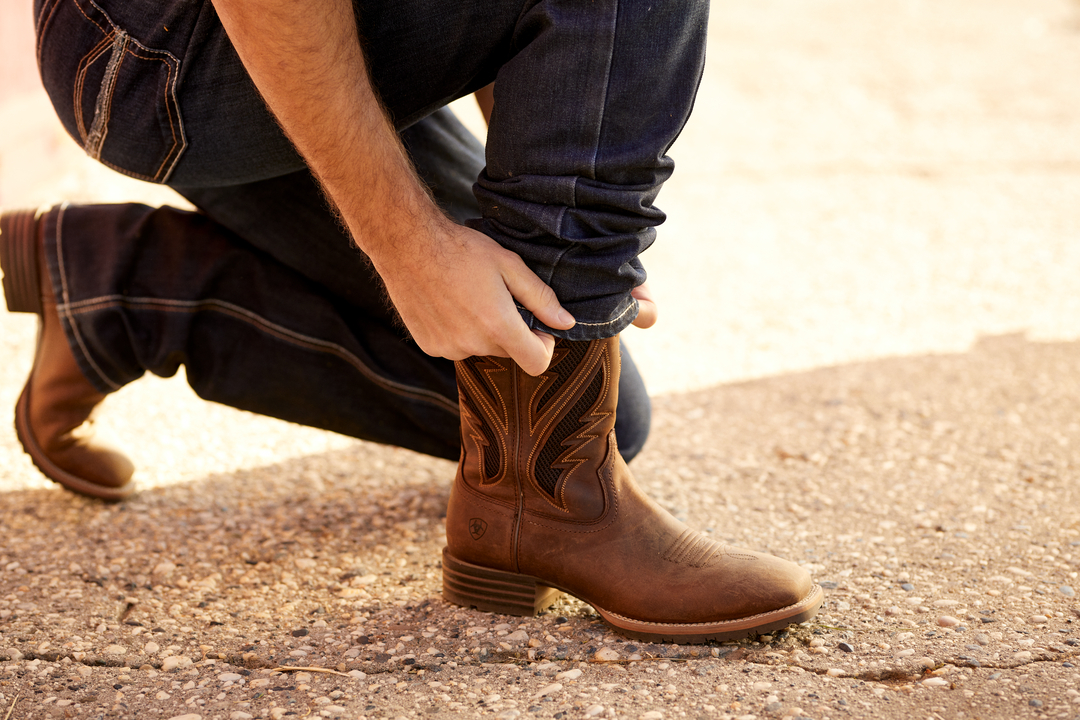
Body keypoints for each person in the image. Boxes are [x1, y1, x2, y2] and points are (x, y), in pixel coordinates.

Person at [0, 0, 822, 641]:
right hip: (163, 49)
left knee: (568, 389)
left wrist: (570, 236)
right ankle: (552, 507)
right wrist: (410, 248)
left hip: (281, 37)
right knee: (521, 376)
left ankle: (123, 290)